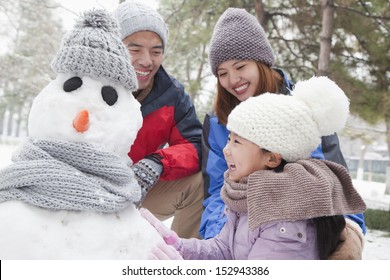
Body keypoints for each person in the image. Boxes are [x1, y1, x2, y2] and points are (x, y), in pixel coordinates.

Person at [142, 76, 367, 260]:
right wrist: (177, 245)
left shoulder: (285, 218)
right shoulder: (246, 196)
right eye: (228, 139)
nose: (226, 150)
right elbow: (223, 251)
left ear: (271, 158)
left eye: (237, 142)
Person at [200, 7, 366, 240]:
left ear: (260, 62)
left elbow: (334, 183)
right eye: (222, 73)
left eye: (240, 67)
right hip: (241, 230)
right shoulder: (218, 123)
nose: (233, 80)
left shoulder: (304, 108)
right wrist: (222, 241)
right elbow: (215, 192)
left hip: (301, 230)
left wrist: (347, 235)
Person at [114, 0, 204, 239]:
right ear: (114, 46)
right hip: (82, 194)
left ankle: (183, 257)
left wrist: (158, 162)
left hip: (138, 192)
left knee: (199, 182)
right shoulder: (86, 84)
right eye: (135, 49)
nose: (147, 61)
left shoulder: (171, 94)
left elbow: (195, 144)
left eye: (156, 51)